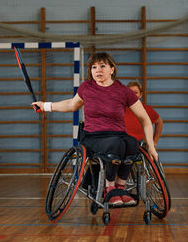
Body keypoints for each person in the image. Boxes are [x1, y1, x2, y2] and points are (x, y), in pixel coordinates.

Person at [32, 53, 158, 206]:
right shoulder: (87, 87)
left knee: (132, 143)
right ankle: (109, 189)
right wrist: (45, 106)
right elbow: (71, 105)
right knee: (116, 144)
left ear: (112, 69)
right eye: (94, 67)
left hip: (117, 134)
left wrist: (151, 145)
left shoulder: (124, 91)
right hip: (93, 137)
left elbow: (145, 119)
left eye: (102, 66)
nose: (98, 70)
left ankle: (120, 187)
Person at [125, 81, 163, 148]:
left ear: (140, 95)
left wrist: (155, 141)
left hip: (141, 146)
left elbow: (159, 122)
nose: (132, 95)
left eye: (136, 92)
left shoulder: (147, 110)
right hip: (123, 144)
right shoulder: (120, 109)